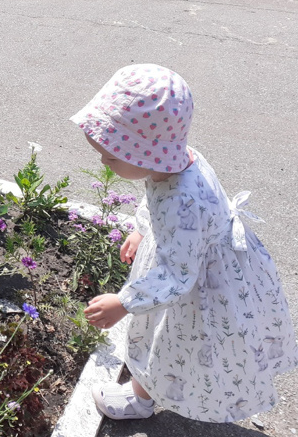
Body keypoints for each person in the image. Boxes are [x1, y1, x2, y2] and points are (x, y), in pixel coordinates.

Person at [71, 64, 297, 423]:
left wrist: (125, 302)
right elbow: (156, 200)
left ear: (146, 154)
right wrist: (143, 228)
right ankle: (143, 391)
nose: (103, 160)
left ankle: (140, 400)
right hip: (205, 264)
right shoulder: (178, 162)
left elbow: (176, 275)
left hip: (195, 286)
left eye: (111, 156)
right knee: (169, 342)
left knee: (171, 344)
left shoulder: (182, 200)